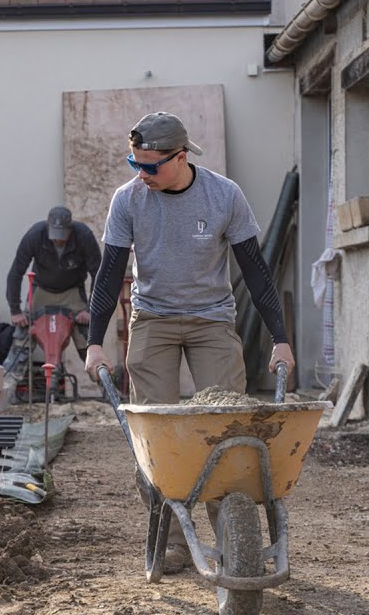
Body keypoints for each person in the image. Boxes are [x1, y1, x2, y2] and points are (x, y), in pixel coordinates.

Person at [84, 111, 294, 574]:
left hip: (211, 320)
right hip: (152, 319)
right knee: (156, 435)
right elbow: (109, 273)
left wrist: (280, 339)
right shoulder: (128, 199)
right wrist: (95, 342)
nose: (141, 174)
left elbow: (256, 272)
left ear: (181, 157)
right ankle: (174, 543)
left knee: (228, 429)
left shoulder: (224, 195)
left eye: (150, 166)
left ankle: (233, 541)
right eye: (134, 163)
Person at [6, 205, 101, 362]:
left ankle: (101, 375)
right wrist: (15, 310)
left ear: (70, 229)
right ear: (48, 226)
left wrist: (91, 311)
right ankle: (11, 376)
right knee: (21, 341)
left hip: (72, 292)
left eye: (63, 235)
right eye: (55, 235)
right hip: (41, 290)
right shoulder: (35, 235)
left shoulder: (84, 236)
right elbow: (16, 272)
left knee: (89, 343)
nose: (58, 240)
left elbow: (98, 273)